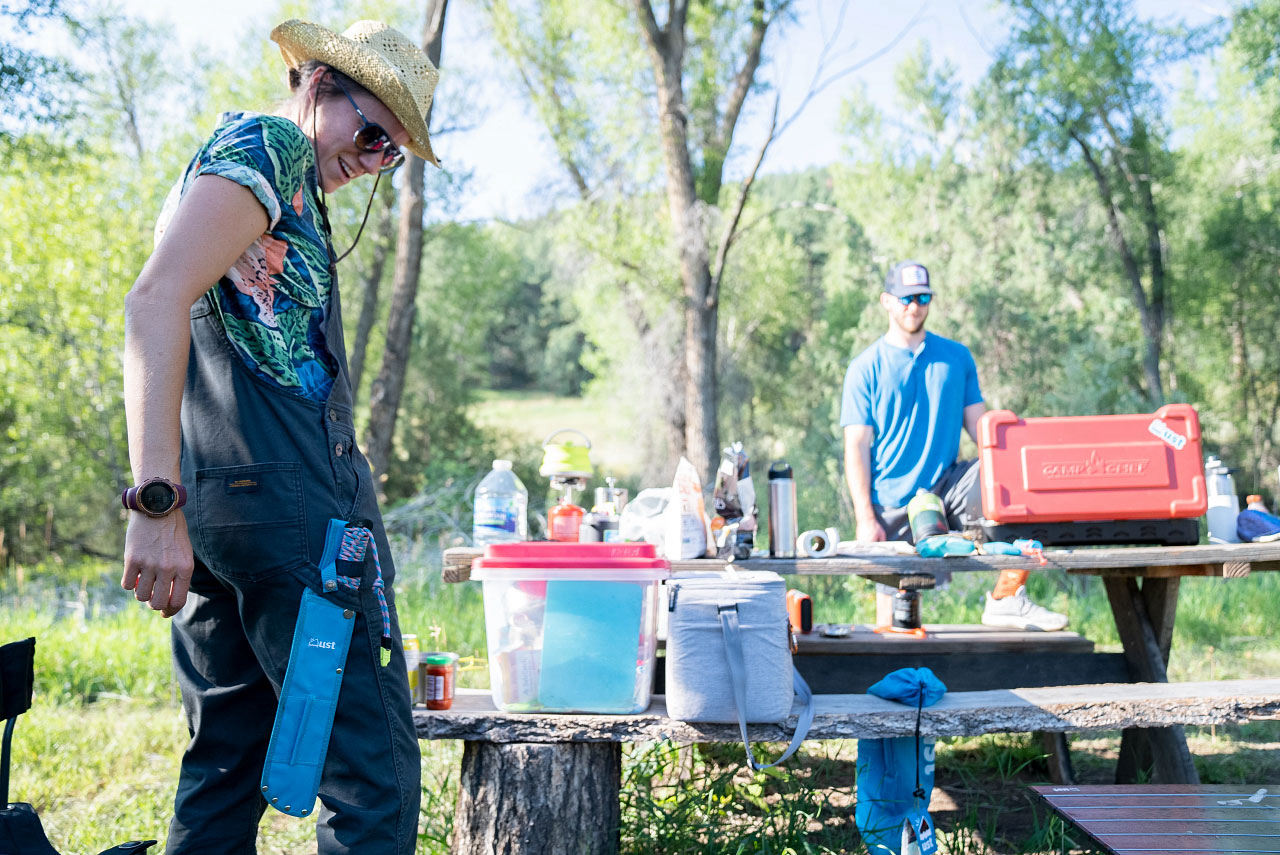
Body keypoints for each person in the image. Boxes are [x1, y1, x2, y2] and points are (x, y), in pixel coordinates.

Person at [119, 19, 440, 854]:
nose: (371, 161)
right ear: (318, 82)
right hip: (294, 516)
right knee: (371, 777)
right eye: (371, 133)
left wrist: (180, 503)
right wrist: (153, 500)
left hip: (230, 512)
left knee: (227, 763)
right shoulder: (270, 146)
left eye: (390, 154)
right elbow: (153, 301)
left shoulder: (251, 171)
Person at [841, 261, 1068, 631]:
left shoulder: (956, 357)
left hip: (946, 489)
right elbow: (857, 447)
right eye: (905, 299)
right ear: (886, 301)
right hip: (893, 503)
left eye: (923, 297)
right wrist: (865, 517)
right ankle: (892, 665)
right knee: (897, 620)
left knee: (1015, 482)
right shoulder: (865, 368)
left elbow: (982, 432)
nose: (914, 306)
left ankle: (1005, 599)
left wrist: (1025, 465)